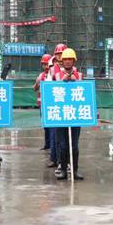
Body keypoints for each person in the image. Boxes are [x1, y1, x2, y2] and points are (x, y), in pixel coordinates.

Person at [54, 48, 84, 181]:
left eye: (69, 59)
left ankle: (74, 170)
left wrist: (74, 80)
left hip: (75, 116)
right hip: (61, 116)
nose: (67, 61)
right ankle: (63, 170)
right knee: (63, 145)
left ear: (73, 61)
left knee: (74, 145)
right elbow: (52, 91)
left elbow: (85, 91)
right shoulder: (57, 75)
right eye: (65, 59)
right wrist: (62, 81)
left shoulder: (80, 75)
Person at [33, 54, 52, 151]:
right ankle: (47, 144)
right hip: (43, 105)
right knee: (45, 125)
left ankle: (52, 144)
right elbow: (34, 88)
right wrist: (37, 83)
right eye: (44, 64)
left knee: (52, 126)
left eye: (47, 64)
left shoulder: (54, 74)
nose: (46, 66)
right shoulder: (41, 75)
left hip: (52, 105)